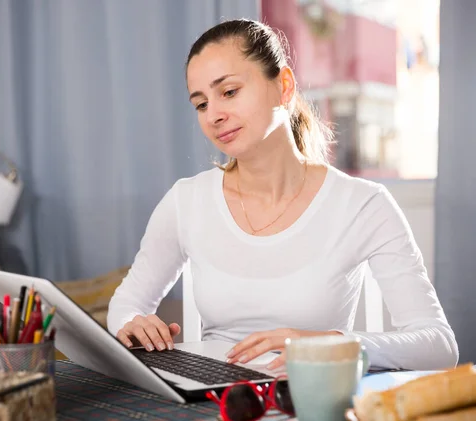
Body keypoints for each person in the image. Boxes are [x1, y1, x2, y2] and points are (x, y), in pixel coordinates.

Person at [107, 19, 458, 371]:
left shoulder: (364, 204)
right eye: (200, 104)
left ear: (284, 86)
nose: (213, 115)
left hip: (311, 399)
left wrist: (329, 344)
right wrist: (134, 324)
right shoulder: (186, 201)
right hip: (213, 401)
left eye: (229, 92)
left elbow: (438, 344)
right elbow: (125, 307)